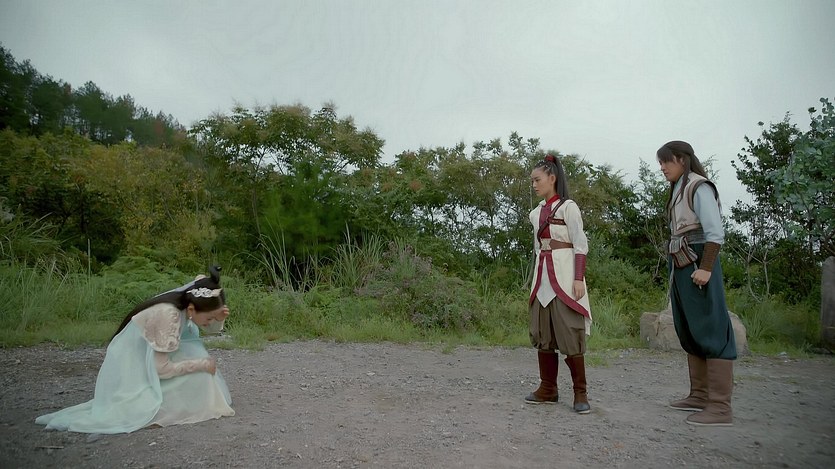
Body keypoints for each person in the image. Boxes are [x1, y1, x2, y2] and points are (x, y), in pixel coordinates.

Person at [35, 266, 235, 433]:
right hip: (133, 364)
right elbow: (162, 370)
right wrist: (201, 365)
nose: (210, 322)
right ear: (191, 309)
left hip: (152, 357)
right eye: (209, 318)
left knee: (199, 361)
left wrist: (219, 319)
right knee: (200, 373)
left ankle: (185, 399)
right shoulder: (170, 315)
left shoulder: (188, 303)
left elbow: (208, 328)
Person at [657, 141, 736, 427]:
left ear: (681, 159)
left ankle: (720, 406)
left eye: (666, 161)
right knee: (689, 326)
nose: (662, 168)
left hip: (699, 261)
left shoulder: (698, 186)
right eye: (660, 163)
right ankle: (700, 395)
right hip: (681, 262)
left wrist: (706, 268)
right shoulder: (678, 188)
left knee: (710, 327)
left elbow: (715, 232)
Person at [525, 154, 593, 414]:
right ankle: (548, 388)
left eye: (537, 180)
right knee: (543, 333)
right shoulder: (535, 214)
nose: (534, 185)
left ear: (552, 178)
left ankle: (580, 392)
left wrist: (578, 278)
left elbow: (580, 244)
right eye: (532, 181)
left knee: (570, 331)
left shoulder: (568, 208)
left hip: (565, 277)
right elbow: (537, 248)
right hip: (542, 278)